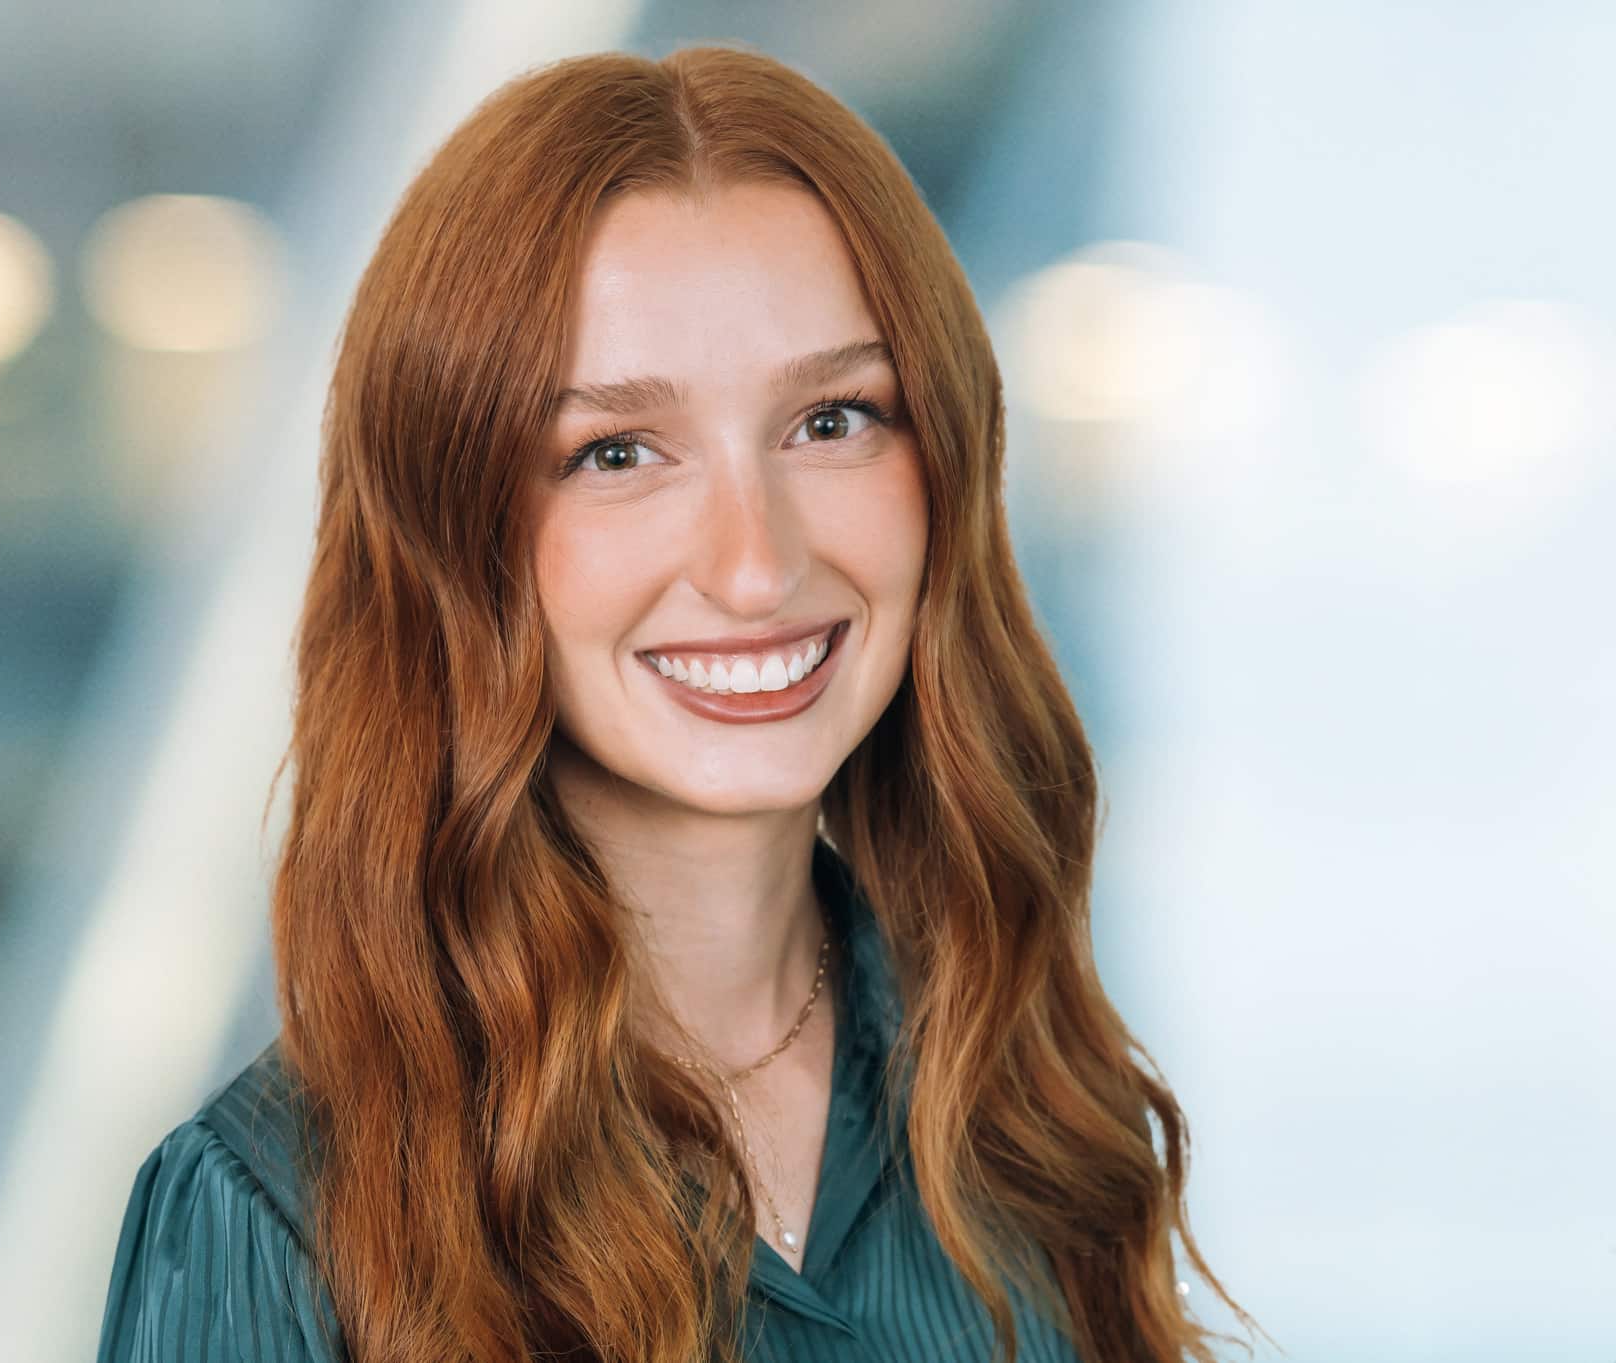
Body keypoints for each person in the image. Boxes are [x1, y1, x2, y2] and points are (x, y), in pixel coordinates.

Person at [96, 44, 1259, 1363]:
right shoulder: (274, 1215)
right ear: (456, 532)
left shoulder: (1029, 1106)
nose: (755, 565)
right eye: (617, 452)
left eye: (832, 421)